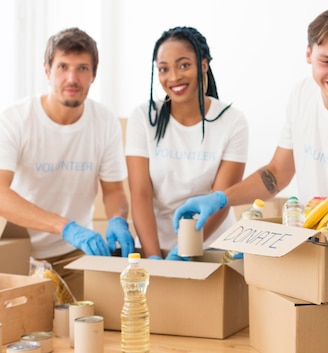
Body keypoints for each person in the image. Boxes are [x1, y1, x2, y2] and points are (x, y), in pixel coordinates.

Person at [172, 8, 328, 334]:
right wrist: (220, 198)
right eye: (327, 61)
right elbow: (277, 173)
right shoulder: (302, 96)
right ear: (309, 54)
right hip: (312, 267)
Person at [0, 27, 132, 299]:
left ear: (94, 75)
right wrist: (65, 226)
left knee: (95, 324)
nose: (72, 78)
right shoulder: (16, 119)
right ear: (47, 71)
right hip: (19, 254)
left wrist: (118, 219)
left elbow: (114, 190)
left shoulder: (104, 121)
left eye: (82, 68)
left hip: (75, 254)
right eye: (63, 67)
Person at [125, 26, 248, 260]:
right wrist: (154, 259)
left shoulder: (232, 121)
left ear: (203, 65)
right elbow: (140, 193)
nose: (174, 77)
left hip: (212, 246)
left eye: (184, 65)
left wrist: (185, 249)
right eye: (164, 69)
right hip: (157, 245)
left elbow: (221, 198)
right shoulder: (143, 117)